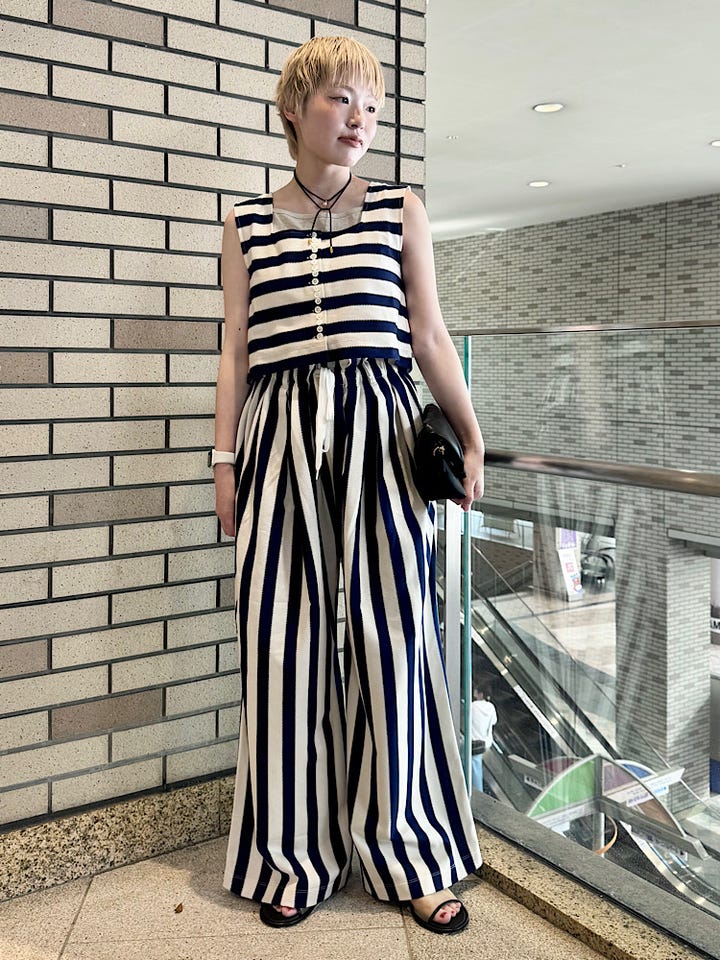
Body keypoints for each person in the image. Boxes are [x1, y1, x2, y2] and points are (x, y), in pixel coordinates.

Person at [212, 35, 485, 936]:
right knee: (280, 642)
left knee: (394, 635)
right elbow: (235, 351)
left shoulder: (400, 208)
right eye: (340, 100)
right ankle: (291, 856)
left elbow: (430, 335)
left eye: (370, 105)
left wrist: (472, 433)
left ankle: (411, 852)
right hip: (278, 434)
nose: (360, 118)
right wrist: (223, 461)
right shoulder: (246, 223)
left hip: (384, 430)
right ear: (294, 110)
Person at [470, 688, 498, 794]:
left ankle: (476, 792)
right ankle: (478, 791)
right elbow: (494, 721)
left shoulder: (473, 706)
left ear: (480, 694)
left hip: (473, 742)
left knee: (473, 766)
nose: (474, 693)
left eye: (476, 691)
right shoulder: (491, 707)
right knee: (477, 765)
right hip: (485, 742)